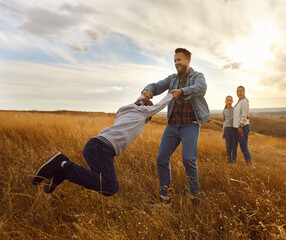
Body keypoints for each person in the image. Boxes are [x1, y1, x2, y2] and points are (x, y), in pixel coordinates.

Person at [32, 92, 174, 196]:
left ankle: (61, 172)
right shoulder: (143, 112)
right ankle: (63, 166)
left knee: (108, 185)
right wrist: (172, 94)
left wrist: (142, 97)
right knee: (109, 187)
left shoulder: (124, 111)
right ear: (144, 109)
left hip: (96, 147)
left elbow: (137, 105)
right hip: (101, 148)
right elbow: (160, 105)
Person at [141, 48, 210, 204]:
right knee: (162, 158)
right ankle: (165, 198)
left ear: (188, 61)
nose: (176, 63)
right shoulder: (172, 78)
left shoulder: (198, 76)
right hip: (172, 126)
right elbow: (156, 86)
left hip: (190, 126)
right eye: (174, 61)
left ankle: (195, 197)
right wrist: (148, 90)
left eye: (179, 60)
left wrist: (183, 91)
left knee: (188, 159)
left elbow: (201, 88)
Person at [233, 86, 254, 168]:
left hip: (242, 127)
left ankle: (250, 166)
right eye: (237, 91)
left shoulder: (244, 101)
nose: (239, 93)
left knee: (243, 146)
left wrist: (240, 126)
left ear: (244, 92)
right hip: (238, 127)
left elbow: (244, 115)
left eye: (241, 91)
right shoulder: (239, 101)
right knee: (238, 146)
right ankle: (234, 163)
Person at [222, 95, 237, 164]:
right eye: (227, 100)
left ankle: (234, 162)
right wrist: (223, 132)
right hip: (227, 130)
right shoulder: (224, 111)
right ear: (225, 101)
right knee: (228, 146)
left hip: (234, 129)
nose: (229, 102)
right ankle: (228, 162)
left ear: (232, 102)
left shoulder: (235, 110)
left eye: (230, 100)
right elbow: (224, 122)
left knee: (234, 147)